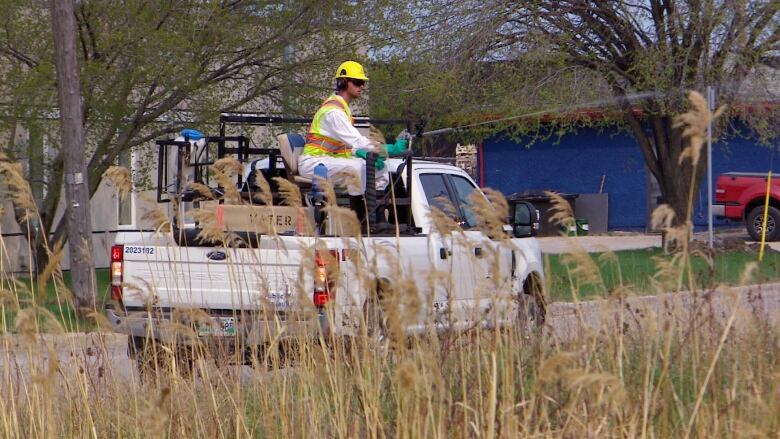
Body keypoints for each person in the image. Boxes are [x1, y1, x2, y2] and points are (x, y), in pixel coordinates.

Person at [297, 61, 409, 197]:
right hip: (314, 162)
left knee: (379, 168)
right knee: (358, 169)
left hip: (327, 159)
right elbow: (356, 140)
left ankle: (376, 212)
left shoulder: (342, 109)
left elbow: (345, 145)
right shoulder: (334, 112)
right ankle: (359, 210)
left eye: (363, 82)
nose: (361, 86)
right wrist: (388, 149)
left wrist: (359, 152)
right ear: (343, 82)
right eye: (357, 82)